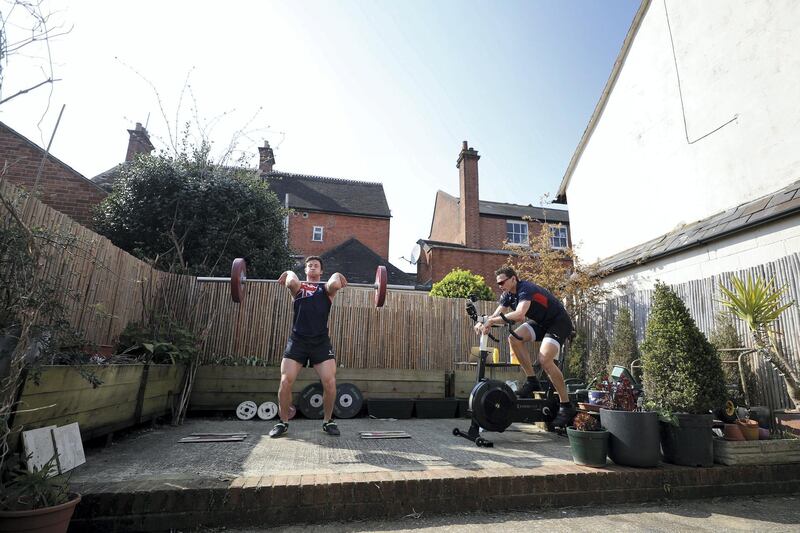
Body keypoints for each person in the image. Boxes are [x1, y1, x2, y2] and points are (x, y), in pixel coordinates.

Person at [475, 266, 576, 427]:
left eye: (502, 282)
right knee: (514, 339)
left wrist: (491, 321)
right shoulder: (507, 295)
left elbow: (520, 314)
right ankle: (532, 380)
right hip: (541, 323)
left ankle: (566, 406)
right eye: (498, 283)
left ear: (513, 279)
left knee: (545, 360)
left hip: (558, 322)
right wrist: (483, 322)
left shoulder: (525, 289)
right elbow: (496, 315)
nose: (500, 285)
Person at [269, 256, 347, 438]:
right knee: (285, 381)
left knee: (330, 382)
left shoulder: (326, 289)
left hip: (320, 342)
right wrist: (288, 272)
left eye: (316, 266)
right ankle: (283, 422)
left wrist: (336, 274)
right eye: (309, 265)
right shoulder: (298, 288)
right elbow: (290, 282)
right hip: (298, 341)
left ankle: (328, 421)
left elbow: (335, 284)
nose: (312, 267)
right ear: (305, 271)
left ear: (321, 272)